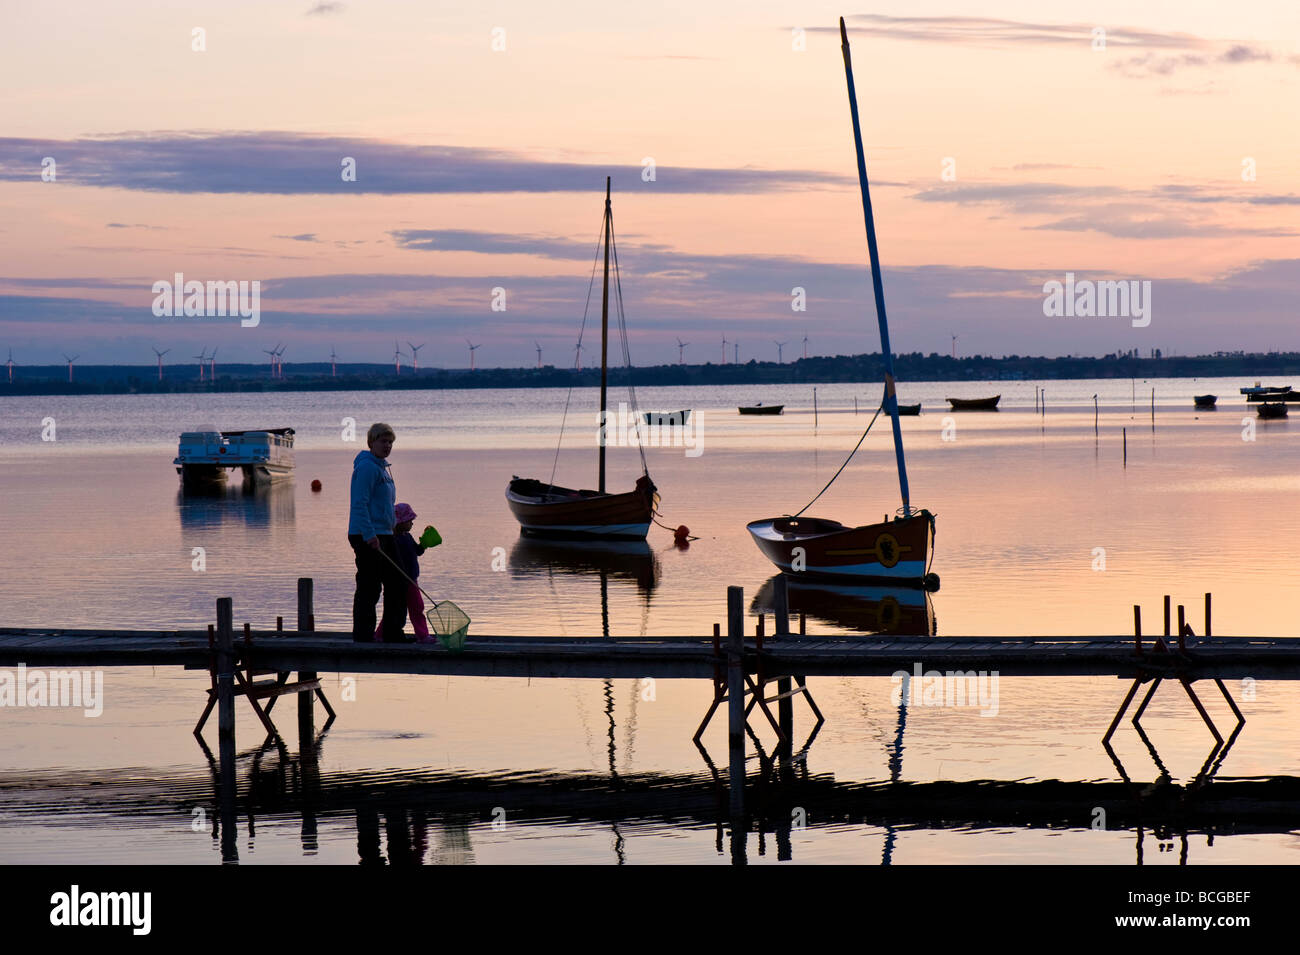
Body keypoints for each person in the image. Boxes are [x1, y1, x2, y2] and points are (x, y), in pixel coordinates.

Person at [348, 422, 411, 642]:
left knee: (398, 582)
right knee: (369, 585)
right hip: (366, 534)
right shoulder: (366, 468)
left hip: (385, 533)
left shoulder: (384, 468)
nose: (387, 446)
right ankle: (363, 635)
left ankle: (393, 632)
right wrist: (369, 535)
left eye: (390, 442)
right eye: (383, 441)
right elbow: (359, 504)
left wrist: (393, 528)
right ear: (371, 442)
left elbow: (385, 504)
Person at [374, 502, 432, 642]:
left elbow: (417, 551)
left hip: (412, 579)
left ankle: (422, 635)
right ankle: (379, 635)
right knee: (394, 609)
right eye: (409, 521)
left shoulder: (408, 537)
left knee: (417, 607)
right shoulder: (392, 540)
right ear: (399, 522)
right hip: (400, 581)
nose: (412, 524)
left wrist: (424, 544)